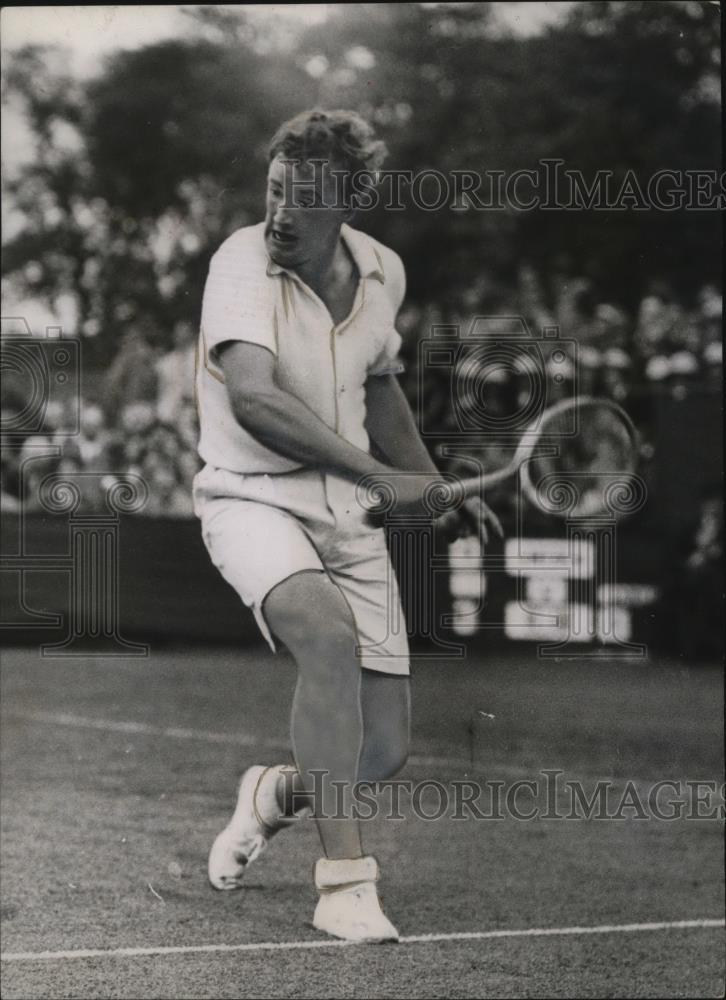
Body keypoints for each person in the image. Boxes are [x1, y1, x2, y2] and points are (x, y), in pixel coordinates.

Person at [193, 109, 500, 943]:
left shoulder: (382, 273)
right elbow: (254, 399)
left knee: (383, 751)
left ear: (351, 202)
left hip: (349, 516)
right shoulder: (239, 263)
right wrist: (379, 476)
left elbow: (381, 386)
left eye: (304, 199)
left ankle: (273, 794)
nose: (282, 213)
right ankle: (344, 884)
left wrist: (435, 484)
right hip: (251, 497)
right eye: (275, 190)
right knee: (326, 638)